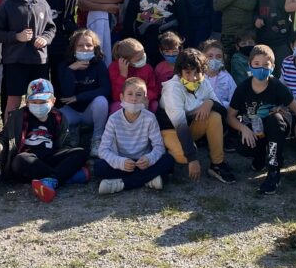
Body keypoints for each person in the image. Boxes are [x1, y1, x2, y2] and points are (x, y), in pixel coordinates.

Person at [226, 44, 296, 195]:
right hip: (254, 128)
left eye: (266, 64)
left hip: (276, 127)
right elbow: (230, 116)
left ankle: (274, 170)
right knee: (242, 146)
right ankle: (259, 155)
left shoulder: (277, 86)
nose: (261, 68)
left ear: (272, 67)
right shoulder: (243, 88)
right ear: (250, 65)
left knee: (274, 121)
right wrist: (243, 128)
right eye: (256, 64)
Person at [1, 78, 90, 202]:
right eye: (34, 102)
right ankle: (62, 177)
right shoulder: (18, 117)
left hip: (51, 156)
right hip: (29, 159)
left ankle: (51, 180)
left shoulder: (58, 117)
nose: (38, 105)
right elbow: (4, 139)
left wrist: (66, 155)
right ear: (27, 102)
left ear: (53, 101)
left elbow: (65, 142)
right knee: (20, 161)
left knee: (81, 152)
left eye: (43, 101)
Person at [159, 48, 237, 183]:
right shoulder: (172, 89)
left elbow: (222, 112)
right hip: (170, 129)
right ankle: (166, 151)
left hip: (190, 125)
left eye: (197, 72)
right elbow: (180, 126)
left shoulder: (204, 82)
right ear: (179, 72)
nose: (193, 77)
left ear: (203, 71)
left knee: (214, 116)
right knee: (185, 156)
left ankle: (217, 164)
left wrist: (210, 102)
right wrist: (193, 159)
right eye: (188, 72)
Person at [0, 0, 56, 117]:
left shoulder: (43, 3)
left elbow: (51, 28)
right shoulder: (7, 4)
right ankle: (9, 131)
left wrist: (45, 39)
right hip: (15, 61)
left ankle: (37, 129)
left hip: (39, 60)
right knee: (14, 100)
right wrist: (16, 36)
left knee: (39, 99)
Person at [95, 77, 175, 194]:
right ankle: (148, 180)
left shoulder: (150, 118)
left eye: (138, 95)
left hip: (144, 163)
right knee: (99, 167)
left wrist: (149, 159)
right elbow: (102, 150)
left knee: (168, 160)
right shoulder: (114, 119)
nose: (134, 99)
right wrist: (120, 162)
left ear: (145, 99)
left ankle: (121, 184)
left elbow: (159, 147)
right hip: (123, 163)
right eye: (130, 94)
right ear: (122, 97)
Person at [56, 29, 111, 157]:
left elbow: (105, 89)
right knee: (56, 116)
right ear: (73, 48)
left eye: (89, 45)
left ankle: (97, 139)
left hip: (90, 112)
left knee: (101, 101)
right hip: (71, 111)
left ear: (94, 48)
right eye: (80, 45)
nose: (85, 48)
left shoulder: (99, 65)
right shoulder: (64, 66)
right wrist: (70, 70)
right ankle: (73, 131)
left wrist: (78, 97)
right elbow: (66, 93)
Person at [123, 0, 187, 65]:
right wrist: (131, 44)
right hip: (144, 45)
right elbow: (129, 20)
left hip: (170, 48)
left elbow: (184, 20)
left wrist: (182, 42)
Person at [38, 0, 79, 85]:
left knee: (60, 81)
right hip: (41, 44)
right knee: (41, 81)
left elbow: (71, 18)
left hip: (62, 44)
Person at [107, 38, 160, 113]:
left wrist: (144, 98)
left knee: (154, 105)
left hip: (142, 100)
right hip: (124, 101)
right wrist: (123, 75)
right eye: (138, 59)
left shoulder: (147, 68)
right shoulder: (114, 68)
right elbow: (115, 96)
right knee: (117, 107)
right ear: (126, 60)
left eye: (143, 56)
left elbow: (153, 89)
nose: (142, 60)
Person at [200, 39, 236, 109]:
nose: (214, 59)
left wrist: (220, 106)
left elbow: (234, 101)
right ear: (203, 57)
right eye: (210, 56)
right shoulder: (197, 76)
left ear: (223, 59)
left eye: (218, 56)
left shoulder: (227, 78)